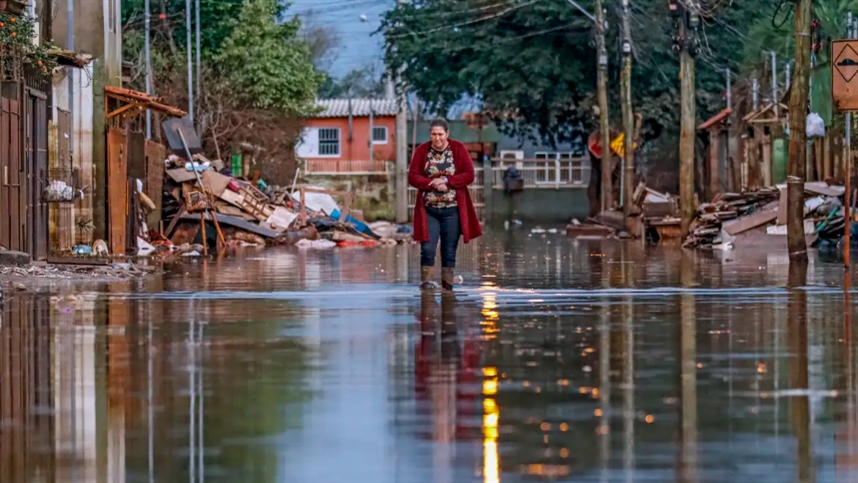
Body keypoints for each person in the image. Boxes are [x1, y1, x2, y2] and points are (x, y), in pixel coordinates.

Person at [409, 118, 483, 290]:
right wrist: (431, 183)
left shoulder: (458, 149)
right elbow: (412, 176)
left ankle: (447, 286)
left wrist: (447, 181)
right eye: (433, 134)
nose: (437, 138)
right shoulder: (422, 151)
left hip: (452, 210)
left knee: (449, 250)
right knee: (428, 248)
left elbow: (469, 174)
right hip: (429, 210)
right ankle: (427, 284)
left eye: (440, 134)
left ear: (447, 134)